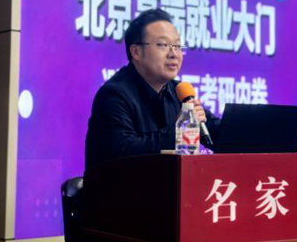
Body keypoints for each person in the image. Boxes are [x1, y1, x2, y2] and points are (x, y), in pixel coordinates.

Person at [85, 9, 220, 171]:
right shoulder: (113, 96)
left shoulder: (179, 92)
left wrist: (244, 126)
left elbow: (219, 133)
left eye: (177, 46)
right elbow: (124, 153)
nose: (174, 54)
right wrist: (179, 133)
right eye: (163, 45)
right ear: (136, 52)